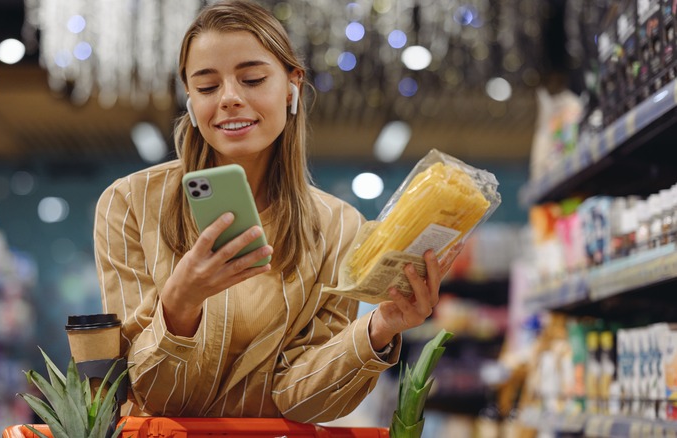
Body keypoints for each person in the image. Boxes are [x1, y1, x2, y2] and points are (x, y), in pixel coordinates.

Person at [94, 0, 443, 423]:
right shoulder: (130, 202)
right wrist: (180, 306)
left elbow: (301, 402)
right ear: (190, 99)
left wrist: (379, 328)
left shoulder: (339, 227)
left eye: (253, 79)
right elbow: (148, 393)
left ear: (292, 83)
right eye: (206, 87)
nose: (229, 99)